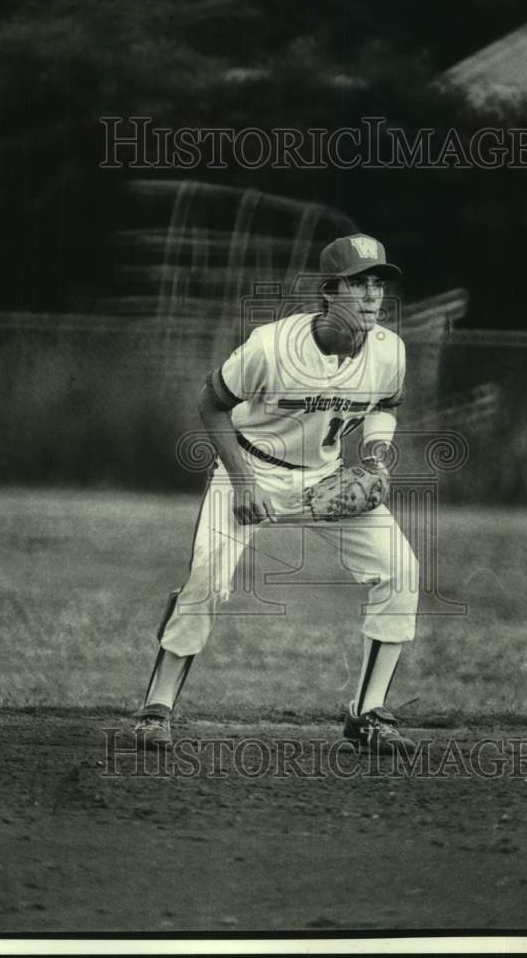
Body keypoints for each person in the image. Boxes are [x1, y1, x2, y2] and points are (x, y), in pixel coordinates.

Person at [134, 233, 419, 754]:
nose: (373, 293)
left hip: (327, 481)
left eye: (378, 282)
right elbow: (210, 403)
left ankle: (368, 713)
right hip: (250, 469)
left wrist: (375, 457)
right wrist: (242, 480)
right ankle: (157, 709)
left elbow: (386, 405)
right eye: (359, 283)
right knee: (206, 580)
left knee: (400, 570)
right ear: (330, 292)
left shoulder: (389, 352)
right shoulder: (271, 346)